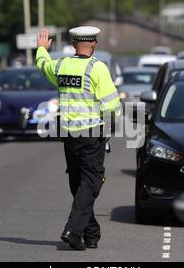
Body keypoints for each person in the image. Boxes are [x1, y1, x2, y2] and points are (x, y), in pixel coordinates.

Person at [36, 27, 121, 250]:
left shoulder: (62, 65)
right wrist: (110, 129)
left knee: (78, 184)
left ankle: (91, 234)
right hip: (92, 134)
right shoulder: (97, 68)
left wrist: (42, 50)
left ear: (73, 44)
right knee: (91, 183)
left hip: (68, 135)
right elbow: (112, 106)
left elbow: (43, 66)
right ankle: (73, 231)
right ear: (94, 44)